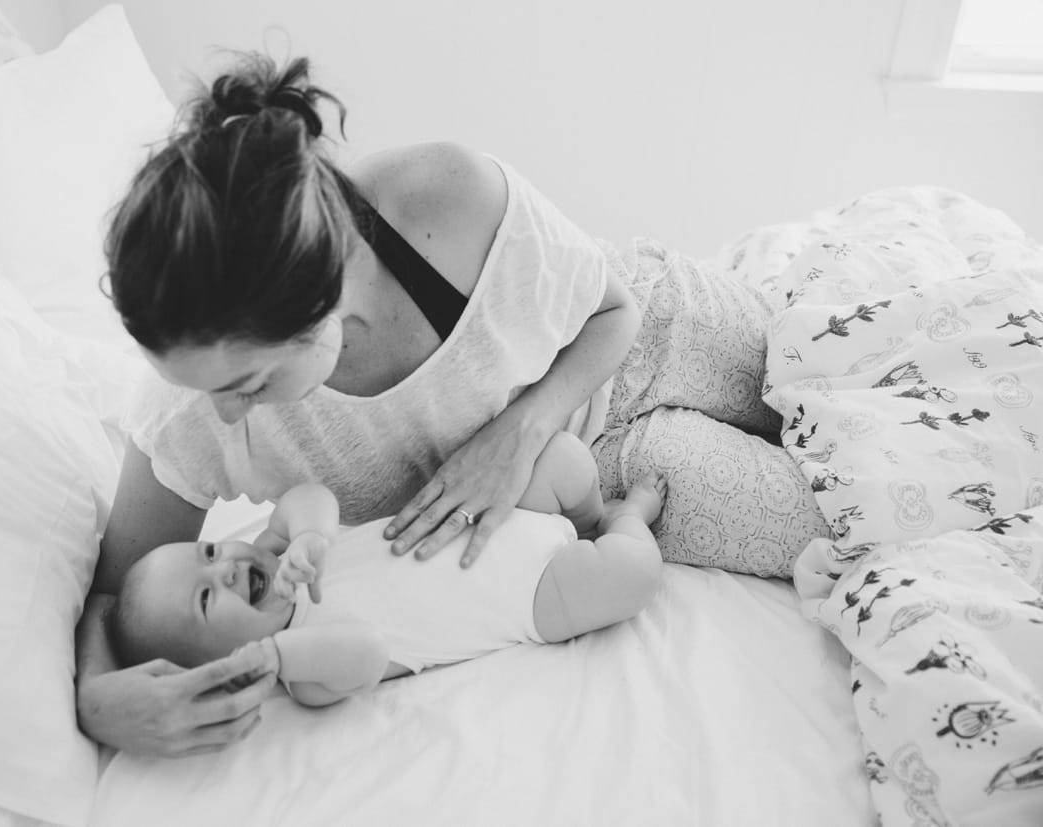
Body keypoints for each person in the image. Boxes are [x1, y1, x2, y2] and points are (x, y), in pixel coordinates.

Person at [77, 52, 830, 755]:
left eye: (249, 384)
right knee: (845, 509)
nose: (229, 415)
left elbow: (613, 310)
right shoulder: (193, 409)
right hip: (598, 480)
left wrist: (518, 431)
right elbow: (120, 592)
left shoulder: (442, 197)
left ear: (316, 299)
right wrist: (98, 700)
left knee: (847, 378)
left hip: (638, 339)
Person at [108, 432, 665, 706]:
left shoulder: (277, 552)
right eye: (206, 600)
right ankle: (630, 519)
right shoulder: (304, 675)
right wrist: (273, 656)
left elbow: (311, 495)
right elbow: (370, 652)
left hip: (487, 515)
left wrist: (310, 533)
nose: (225, 569)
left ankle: (592, 516)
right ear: (224, 668)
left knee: (564, 456)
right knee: (632, 576)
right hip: (532, 595)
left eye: (207, 554)